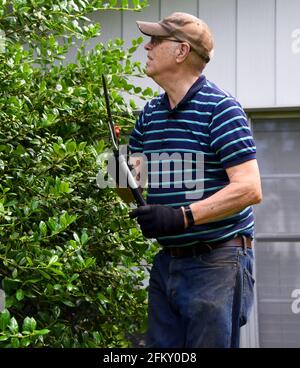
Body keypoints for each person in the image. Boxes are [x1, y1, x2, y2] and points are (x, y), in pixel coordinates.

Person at [127, 12, 262, 348]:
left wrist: (180, 216)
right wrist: (118, 171)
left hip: (216, 264)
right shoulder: (151, 113)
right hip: (168, 262)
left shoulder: (221, 108)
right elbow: (130, 184)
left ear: (181, 51)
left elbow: (249, 188)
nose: (148, 46)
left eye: (156, 40)